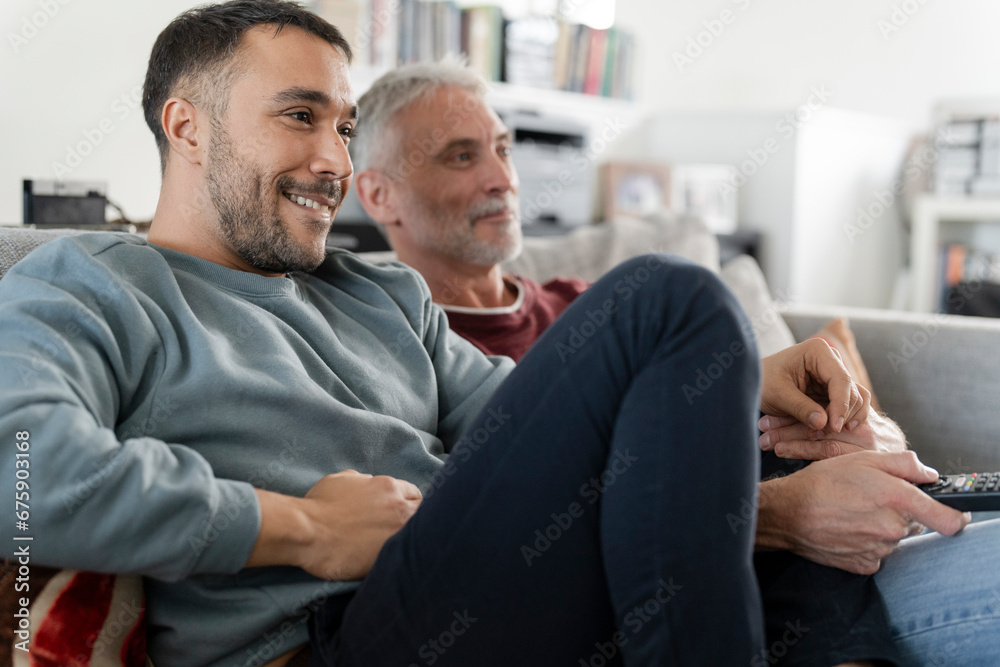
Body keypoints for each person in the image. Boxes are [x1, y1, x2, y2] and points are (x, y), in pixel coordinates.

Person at [349, 58, 1000, 665]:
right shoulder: (406, 349)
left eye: (502, 148)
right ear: (379, 196)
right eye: (462, 156)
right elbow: (503, 542)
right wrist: (779, 511)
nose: (502, 177)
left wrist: (847, 431)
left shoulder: (591, 307)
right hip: (772, 589)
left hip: (863, 540)